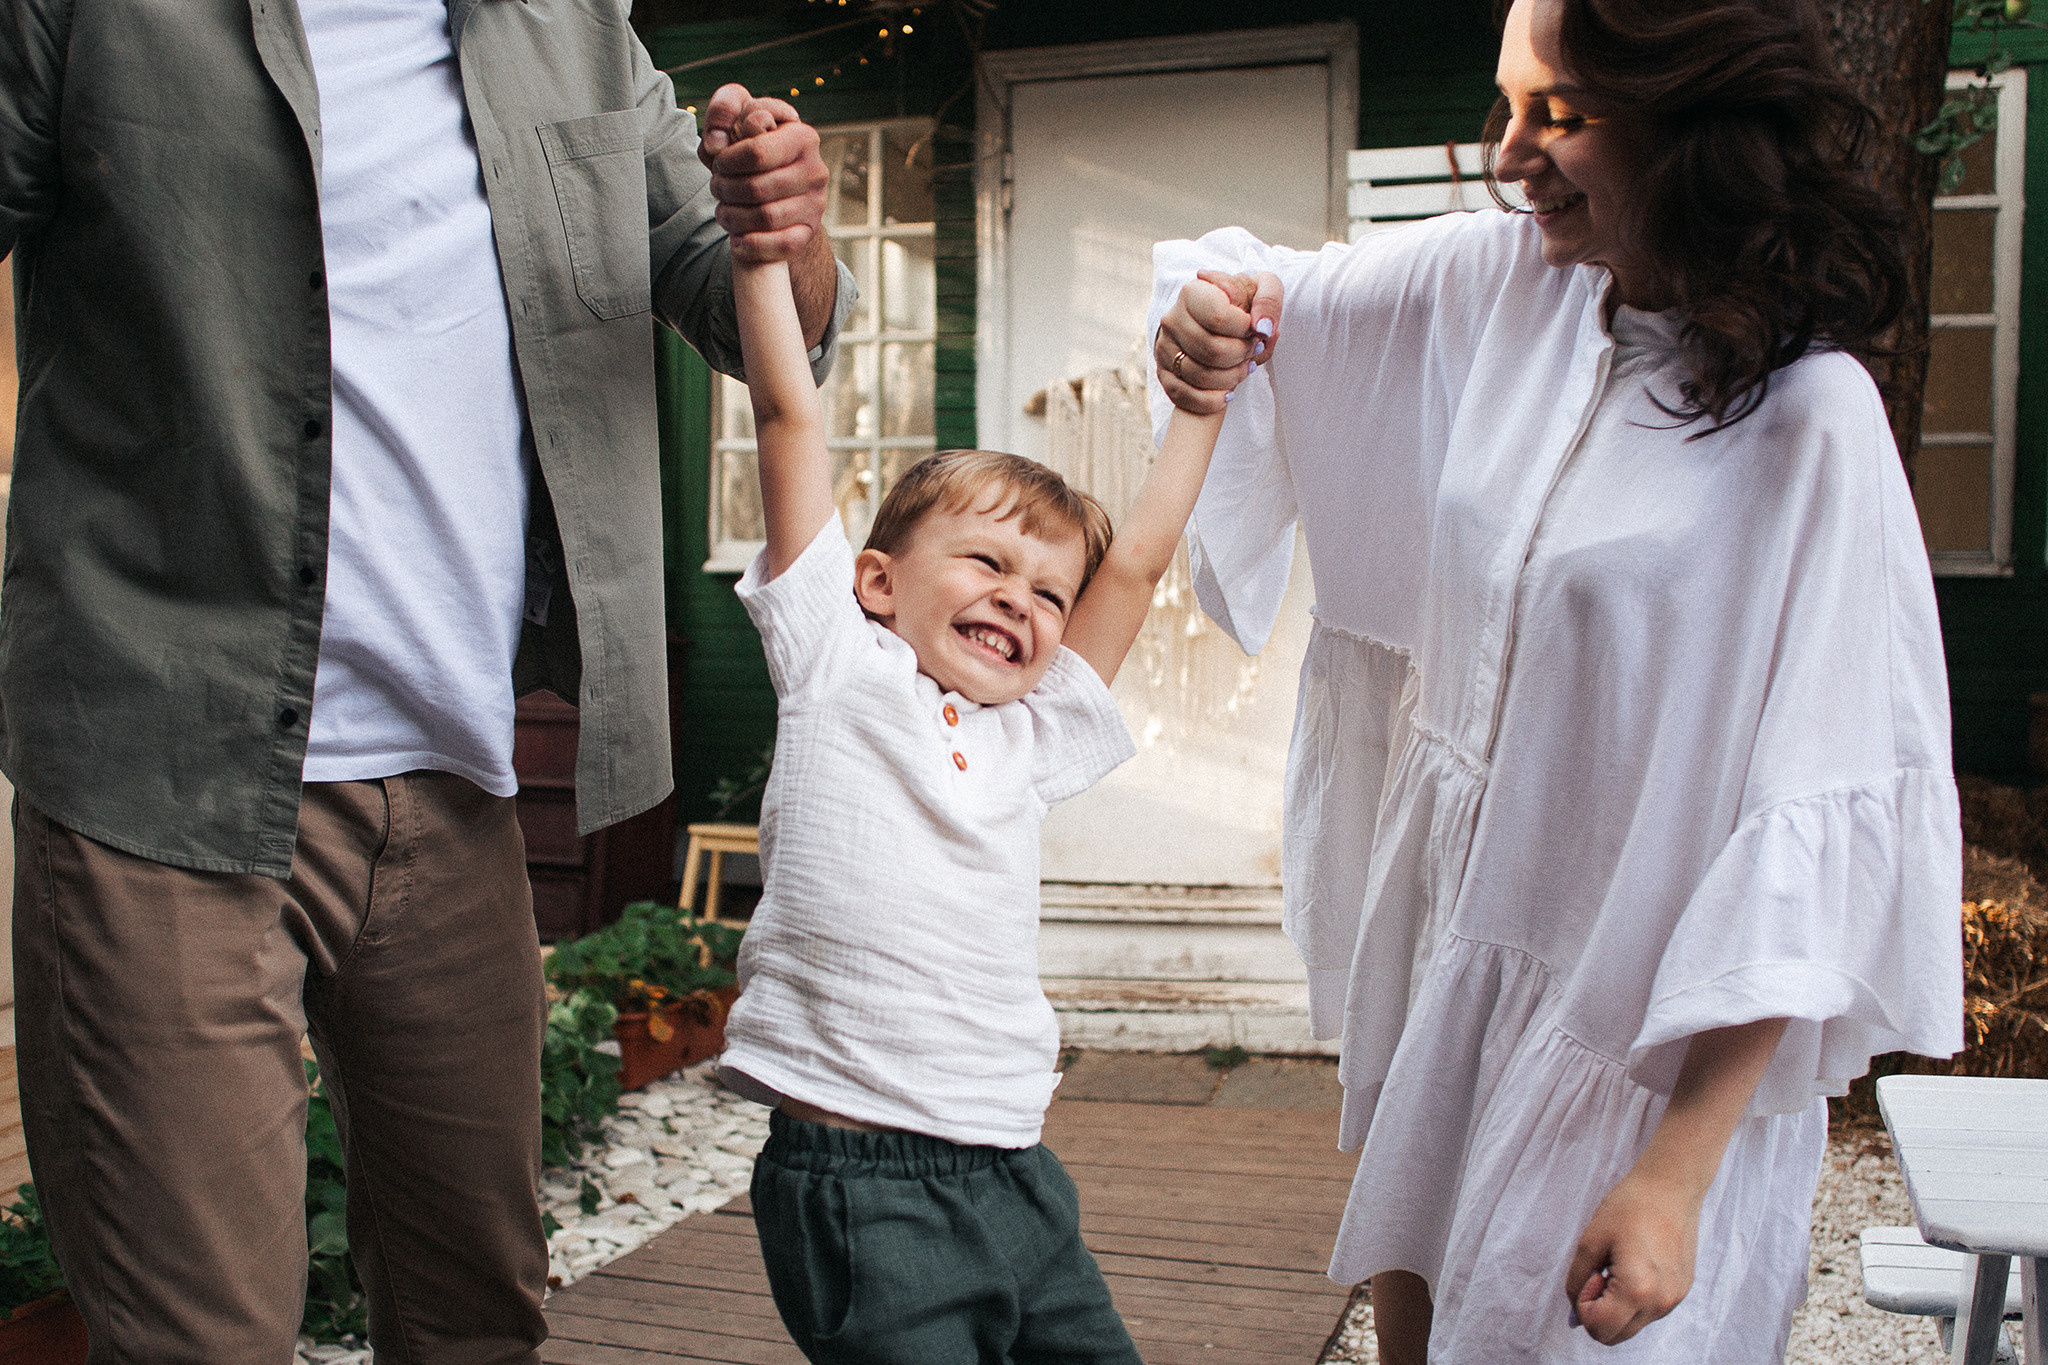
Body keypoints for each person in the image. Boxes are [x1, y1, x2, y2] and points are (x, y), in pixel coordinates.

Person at [0, 0, 852, 1357]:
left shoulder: (569, 23)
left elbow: (736, 295)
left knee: (478, 1313)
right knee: (198, 1337)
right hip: (164, 771)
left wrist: (784, 229)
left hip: (453, 783)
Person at [1150, 0, 1963, 1360]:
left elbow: (1817, 824)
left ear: (1688, 126)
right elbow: (1261, 294)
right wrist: (1202, 316)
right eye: (1508, 102)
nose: (1510, 152)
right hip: (1463, 982)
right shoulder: (1507, 285)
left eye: (1564, 115)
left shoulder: (1812, 424)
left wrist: (1676, 1172)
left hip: (1644, 1057)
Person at [711, 104, 1253, 1362]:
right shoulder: (834, 668)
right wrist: (754, 259)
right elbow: (792, 423)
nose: (1020, 596)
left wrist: (1204, 408)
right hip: (859, 1176)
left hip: (1015, 1171)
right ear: (877, 580)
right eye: (986, 561)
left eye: (1044, 589)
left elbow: (1138, 565)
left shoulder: (1032, 736)